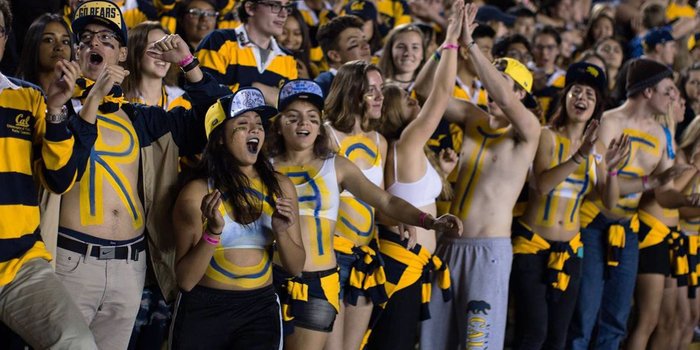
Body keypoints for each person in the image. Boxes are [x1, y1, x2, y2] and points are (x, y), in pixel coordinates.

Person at [47, 1, 230, 349]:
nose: (94, 45)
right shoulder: (54, 108)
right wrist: (92, 100)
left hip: (130, 267)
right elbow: (61, 174)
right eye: (84, 39)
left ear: (122, 55)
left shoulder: (142, 119)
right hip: (70, 262)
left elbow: (218, 122)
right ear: (74, 52)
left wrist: (188, 64)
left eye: (106, 39)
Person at [266, 79, 461, 350]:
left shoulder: (336, 166)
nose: (304, 124)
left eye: (312, 117)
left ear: (319, 125)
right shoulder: (264, 167)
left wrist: (429, 221)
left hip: (320, 284)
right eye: (293, 117)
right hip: (268, 280)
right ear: (278, 123)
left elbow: (386, 201)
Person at [419, 4, 542, 350]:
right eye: (490, 77)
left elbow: (500, 93)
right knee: (434, 342)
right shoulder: (472, 117)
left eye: (503, 81)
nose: (492, 86)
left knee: (478, 345)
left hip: (488, 252)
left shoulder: (529, 131)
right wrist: (448, 43)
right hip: (447, 245)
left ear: (521, 93)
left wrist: (471, 45)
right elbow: (425, 90)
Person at [568, 58, 698, 350]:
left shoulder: (659, 134)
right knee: (585, 316)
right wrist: (650, 182)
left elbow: (663, 194)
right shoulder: (608, 122)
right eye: (667, 91)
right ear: (648, 92)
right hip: (591, 223)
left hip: (627, 228)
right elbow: (601, 187)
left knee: (616, 319)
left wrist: (687, 198)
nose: (673, 97)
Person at [170, 87, 305, 349]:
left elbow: (296, 267)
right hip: (204, 310)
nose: (254, 130)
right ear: (219, 137)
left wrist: (281, 231)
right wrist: (213, 233)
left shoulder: (281, 187)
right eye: (243, 124)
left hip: (260, 310)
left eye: (259, 124)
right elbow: (185, 281)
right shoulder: (196, 192)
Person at [365, 4, 464, 349]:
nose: (415, 101)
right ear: (395, 109)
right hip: (402, 262)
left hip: (404, 260)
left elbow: (424, 91)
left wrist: (442, 174)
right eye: (408, 100)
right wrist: (450, 41)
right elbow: (440, 95)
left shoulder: (398, 147)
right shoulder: (407, 144)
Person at [0, 0, 97, 347]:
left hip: (18, 265)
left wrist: (56, 110)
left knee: (76, 343)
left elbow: (60, 179)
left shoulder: (28, 97)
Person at [513, 62, 629, 350]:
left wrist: (612, 171)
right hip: (532, 246)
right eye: (577, 91)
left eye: (590, 95)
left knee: (557, 337)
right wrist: (580, 155)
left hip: (571, 250)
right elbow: (541, 185)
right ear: (564, 97)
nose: (582, 98)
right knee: (533, 333)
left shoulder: (597, 149)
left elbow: (610, 202)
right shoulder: (546, 136)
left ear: (597, 107)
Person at [322, 59, 387, 350]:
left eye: (381, 89)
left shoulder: (379, 141)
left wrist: (402, 222)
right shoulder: (325, 135)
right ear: (352, 92)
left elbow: (380, 201)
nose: (380, 96)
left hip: (366, 256)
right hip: (331, 256)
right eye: (371, 90)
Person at [196, 0, 298, 104]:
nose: (284, 14)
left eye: (286, 7)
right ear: (250, 8)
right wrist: (256, 90)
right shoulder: (220, 41)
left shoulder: (288, 58)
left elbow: (289, 108)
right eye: (276, 5)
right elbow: (203, 94)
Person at [122, 21, 191, 110]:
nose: (163, 55)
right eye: (154, 47)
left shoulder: (184, 101)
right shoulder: (119, 101)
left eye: (167, 47)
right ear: (135, 52)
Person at [315, 15, 371, 98]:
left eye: (364, 40)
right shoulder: (321, 88)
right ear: (334, 56)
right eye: (354, 42)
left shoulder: (374, 81)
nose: (365, 46)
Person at [15, 13, 73, 93]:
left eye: (65, 41)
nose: (59, 47)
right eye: (49, 40)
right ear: (33, 45)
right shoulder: (13, 94)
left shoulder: (80, 98)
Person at [377, 23, 425, 91]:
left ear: (422, 54)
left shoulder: (429, 87)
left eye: (415, 47)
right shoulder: (377, 86)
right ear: (390, 51)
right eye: (401, 47)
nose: (407, 53)